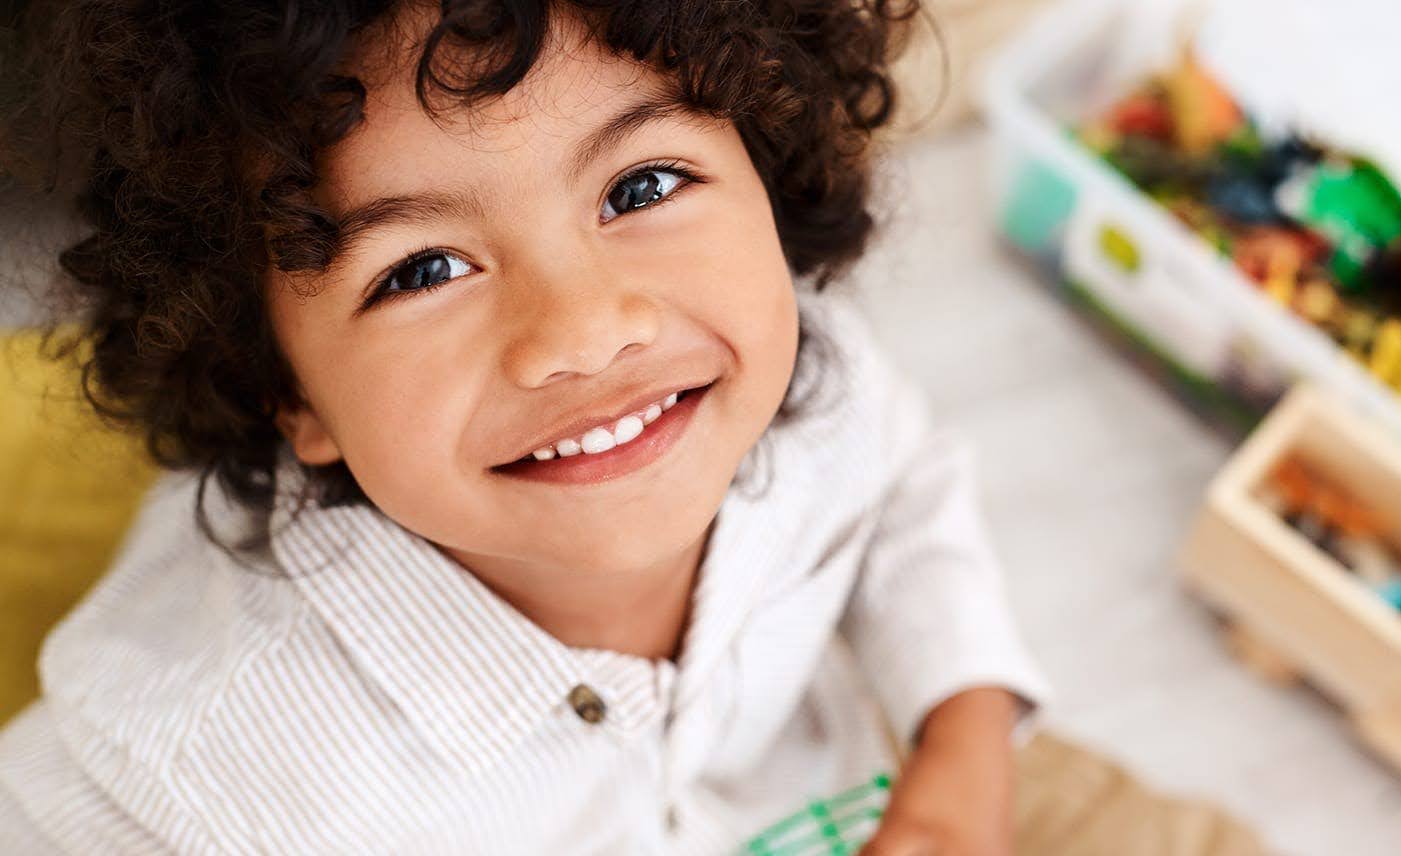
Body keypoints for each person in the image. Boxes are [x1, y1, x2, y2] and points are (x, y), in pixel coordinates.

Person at [0, 1, 1051, 852]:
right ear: (287, 391)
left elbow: (904, 491)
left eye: (642, 187)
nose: (583, 333)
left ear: (768, 176)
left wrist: (964, 748)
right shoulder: (188, 767)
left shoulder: (821, 393)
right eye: (423, 269)